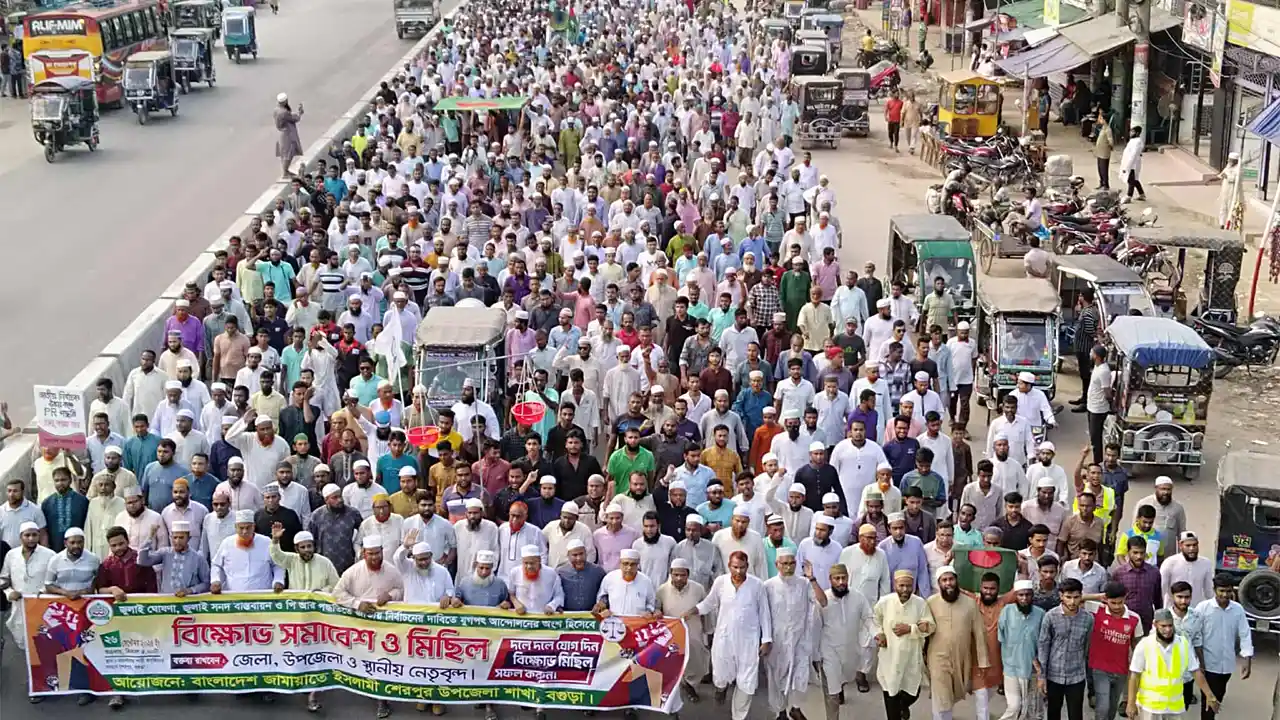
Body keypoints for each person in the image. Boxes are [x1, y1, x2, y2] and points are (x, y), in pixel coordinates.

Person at [684, 550, 771, 720]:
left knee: (746, 681)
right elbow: (709, 603)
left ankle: (739, 716)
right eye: (735, 567)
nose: (738, 571)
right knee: (720, 674)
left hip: (748, 640)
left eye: (742, 567)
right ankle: (721, 688)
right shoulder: (721, 582)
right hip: (724, 638)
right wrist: (693, 611)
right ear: (729, 566)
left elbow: (764, 614)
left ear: (747, 566)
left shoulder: (757, 585)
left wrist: (766, 639)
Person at [1127, 608, 1221, 720]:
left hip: (1174, 707)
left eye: (1170, 626)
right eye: (1163, 626)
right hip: (1150, 707)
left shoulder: (1183, 644)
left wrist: (1209, 695)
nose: (1168, 630)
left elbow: (1195, 671)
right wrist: (1130, 703)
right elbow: (1135, 675)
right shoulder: (1145, 644)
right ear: (1155, 624)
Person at [926, 566, 989, 720]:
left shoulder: (970, 603)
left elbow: (979, 633)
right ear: (939, 583)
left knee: (952, 695)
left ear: (956, 580)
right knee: (941, 697)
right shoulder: (930, 603)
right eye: (944, 580)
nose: (948, 583)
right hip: (938, 658)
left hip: (961, 658)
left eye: (951, 579)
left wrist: (983, 661)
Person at [1191, 574, 1253, 720]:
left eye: (1228, 591)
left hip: (1227, 665)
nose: (1225, 595)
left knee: (1218, 696)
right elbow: (1195, 633)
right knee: (1209, 701)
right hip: (1208, 664)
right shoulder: (1203, 608)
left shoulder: (1237, 609)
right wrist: (1198, 660)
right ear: (1214, 590)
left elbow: (1244, 634)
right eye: (1221, 591)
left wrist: (1247, 659)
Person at [763, 547, 815, 720]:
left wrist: (812, 578)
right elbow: (763, 615)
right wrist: (765, 639)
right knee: (777, 677)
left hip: (800, 638)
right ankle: (780, 711)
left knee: (800, 675)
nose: (788, 567)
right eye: (784, 563)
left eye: (792, 563)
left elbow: (820, 602)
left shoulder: (804, 584)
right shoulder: (768, 586)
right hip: (777, 640)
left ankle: (796, 707)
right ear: (776, 564)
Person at [874, 569, 933, 719]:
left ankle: (902, 707)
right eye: (901, 585)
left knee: (913, 692)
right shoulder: (885, 602)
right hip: (890, 656)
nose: (905, 589)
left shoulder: (920, 603)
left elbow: (929, 626)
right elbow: (874, 620)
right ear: (895, 585)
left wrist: (911, 629)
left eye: (908, 586)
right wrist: (879, 633)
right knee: (890, 691)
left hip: (911, 657)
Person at [1037, 578, 1093, 720]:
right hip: (1054, 675)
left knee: (1076, 715)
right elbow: (1043, 647)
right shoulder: (1050, 617)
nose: (1072, 602)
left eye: (1076, 597)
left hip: (1077, 676)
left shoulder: (1088, 619)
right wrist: (1042, 676)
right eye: (1068, 597)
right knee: (1053, 714)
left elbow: (1087, 648)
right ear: (1061, 596)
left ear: (1081, 596)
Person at [656, 558, 709, 703]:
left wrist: (708, 630)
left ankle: (690, 684)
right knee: (674, 661)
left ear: (688, 574)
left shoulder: (698, 589)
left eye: (683, 575)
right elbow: (657, 610)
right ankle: (680, 688)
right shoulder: (662, 590)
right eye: (676, 575)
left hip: (693, 631)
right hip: (672, 633)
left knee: (697, 661)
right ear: (670, 574)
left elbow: (706, 609)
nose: (679, 578)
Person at [997, 579, 1046, 720]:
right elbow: (1001, 638)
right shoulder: (1006, 612)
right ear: (1015, 596)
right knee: (1014, 706)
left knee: (1031, 711)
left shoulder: (1041, 614)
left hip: (1033, 670)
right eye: (1021, 595)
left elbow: (1044, 642)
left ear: (1032, 595)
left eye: (1027, 594)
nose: (1024, 598)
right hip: (1011, 668)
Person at [275, 93, 305, 179]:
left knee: (283, 153)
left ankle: (285, 171)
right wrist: (299, 113)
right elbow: (294, 118)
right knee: (288, 153)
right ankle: (285, 172)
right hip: (287, 134)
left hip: (282, 132)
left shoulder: (276, 110)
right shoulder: (284, 112)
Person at [1120, 125, 1146, 203]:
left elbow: (1133, 155)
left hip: (1133, 164)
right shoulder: (1133, 141)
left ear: (1137, 133)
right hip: (1130, 163)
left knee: (1131, 180)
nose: (1131, 133)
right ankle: (1142, 194)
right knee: (1134, 180)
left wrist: (1127, 166)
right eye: (1131, 131)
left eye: (1133, 132)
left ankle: (1129, 196)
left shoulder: (1137, 142)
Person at [1216, 152, 1243, 228]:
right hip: (1225, 191)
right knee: (1223, 207)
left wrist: (1227, 177)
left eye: (1231, 160)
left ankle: (1229, 223)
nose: (1229, 161)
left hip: (1232, 192)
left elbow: (1235, 179)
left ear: (1235, 161)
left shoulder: (1238, 169)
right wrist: (1211, 179)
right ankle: (1222, 223)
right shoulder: (1228, 167)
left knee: (1231, 208)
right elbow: (1221, 175)